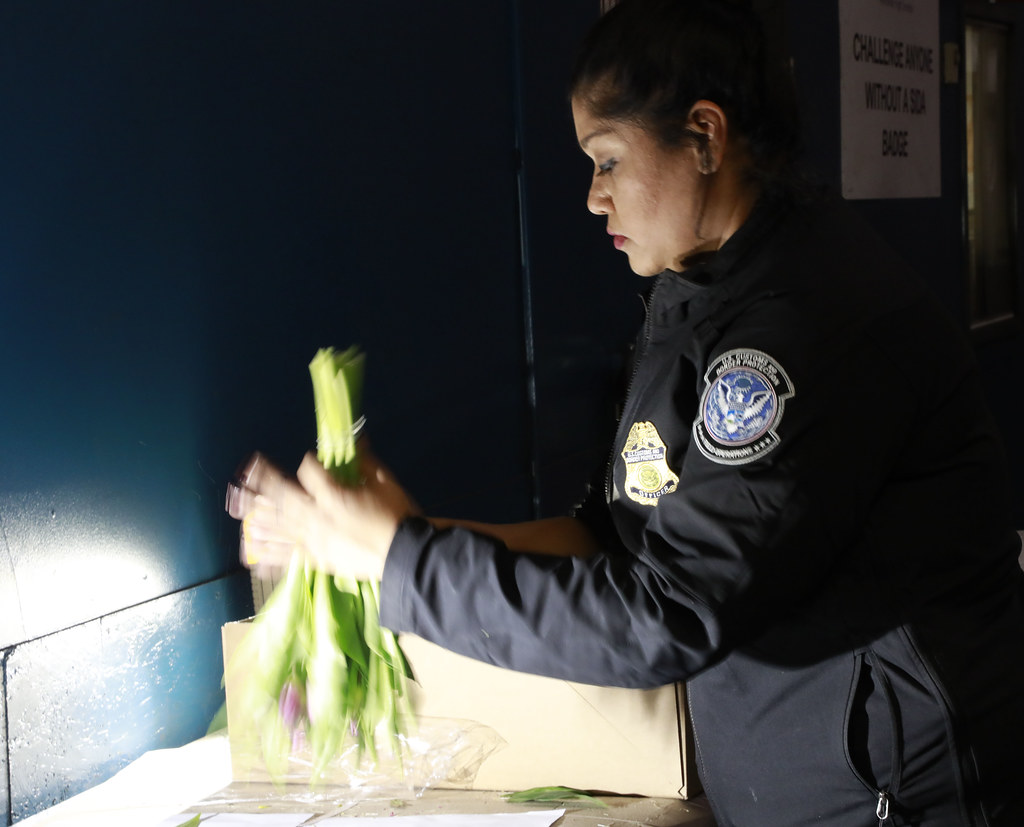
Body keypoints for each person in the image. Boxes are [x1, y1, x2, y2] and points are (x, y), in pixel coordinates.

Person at [229, 0, 1024, 824]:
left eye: (607, 160)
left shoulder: (802, 328)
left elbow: (671, 610)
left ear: (704, 136)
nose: (592, 198)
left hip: (897, 801)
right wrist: (398, 539)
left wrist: (402, 565)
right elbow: (621, 536)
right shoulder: (696, 292)